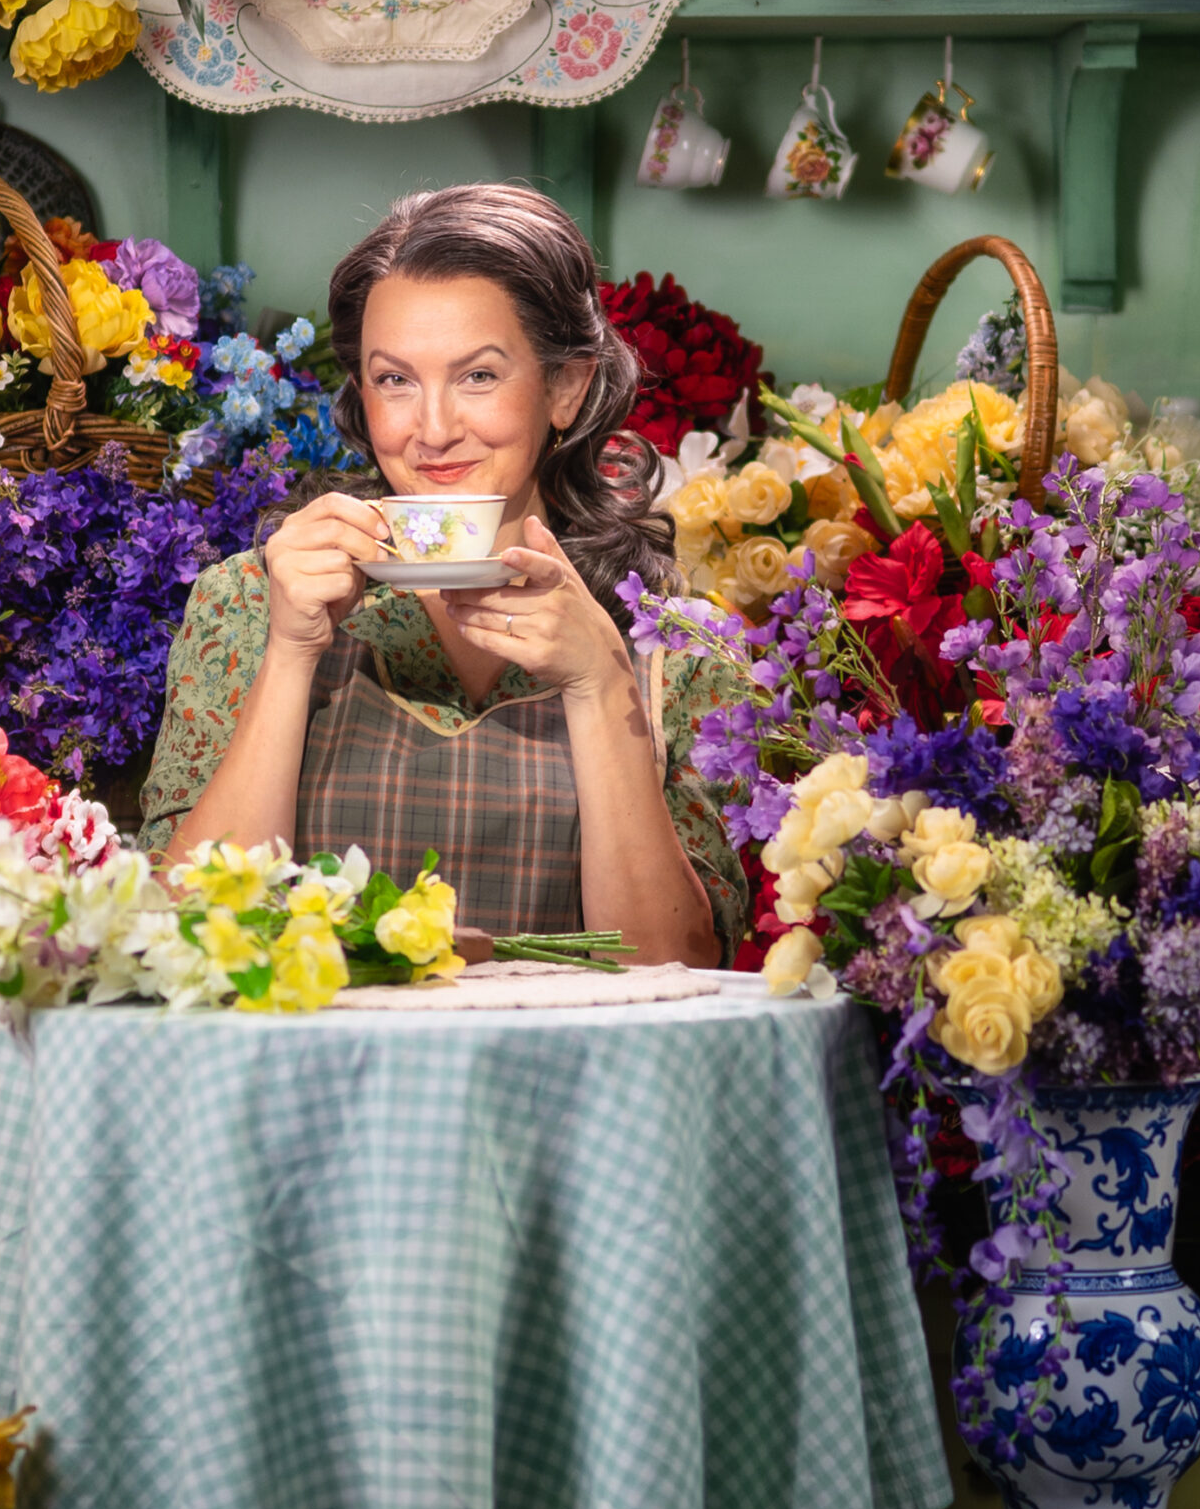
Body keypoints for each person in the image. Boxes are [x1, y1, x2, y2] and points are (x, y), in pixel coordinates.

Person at [139, 184, 746, 966]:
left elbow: (679, 971)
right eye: (394, 380)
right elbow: (183, 933)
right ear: (361, 393)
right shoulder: (252, 601)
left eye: (479, 376)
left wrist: (599, 684)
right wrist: (291, 651)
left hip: (574, 1081)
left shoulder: (671, 637)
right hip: (313, 1079)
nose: (431, 429)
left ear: (566, 387)